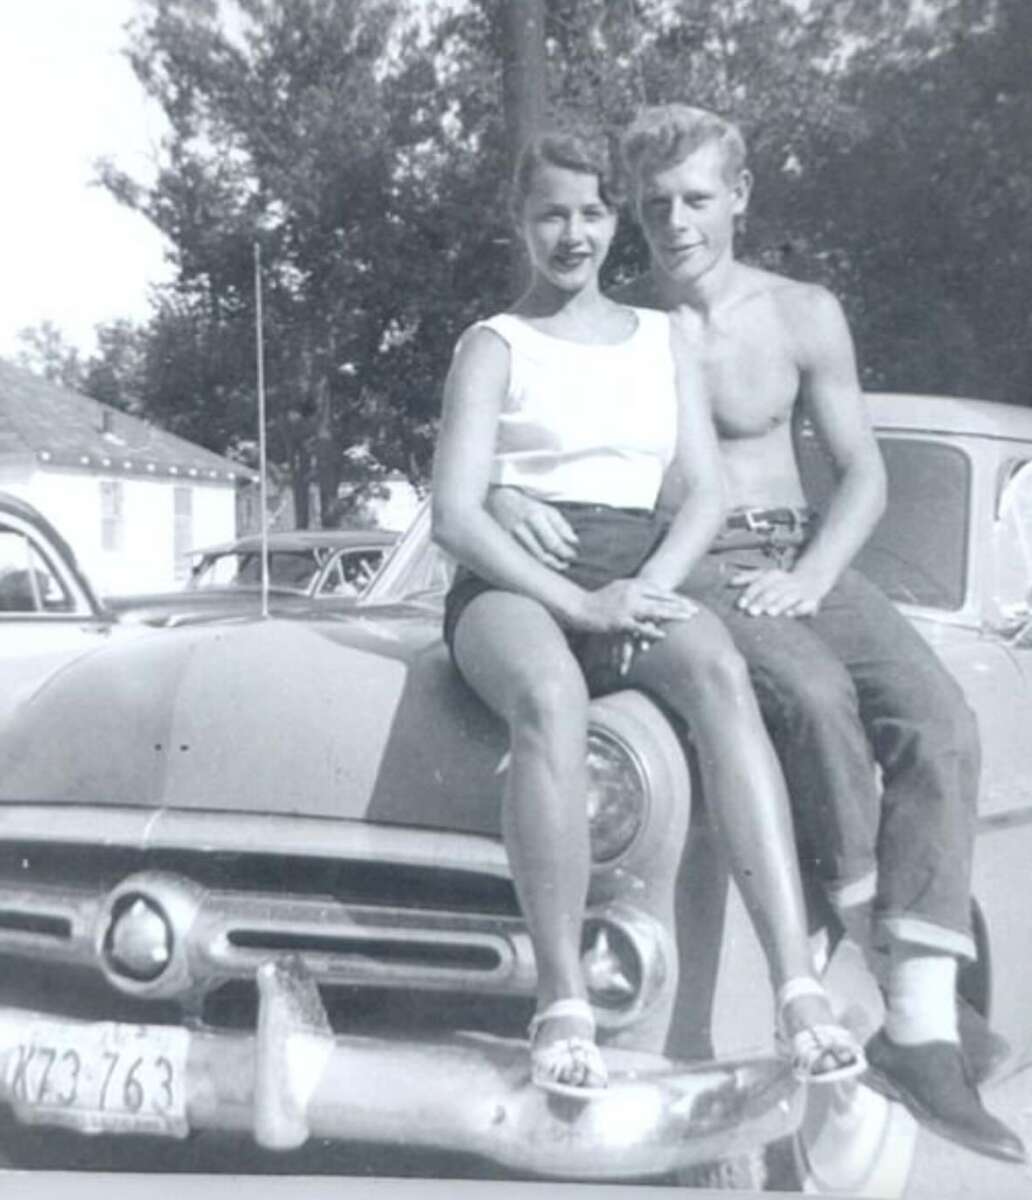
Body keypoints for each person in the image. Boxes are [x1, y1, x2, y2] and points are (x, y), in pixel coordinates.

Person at [488, 105, 1025, 1161]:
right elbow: (540, 432)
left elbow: (863, 474)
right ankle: (907, 1010)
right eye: (654, 206)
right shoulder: (624, 327)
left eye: (696, 199)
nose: (675, 224)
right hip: (692, 560)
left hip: (804, 557)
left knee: (943, 719)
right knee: (814, 701)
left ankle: (920, 1018)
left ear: (740, 196)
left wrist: (813, 574)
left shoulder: (802, 313)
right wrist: (505, 496)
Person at [431, 124, 866, 1101]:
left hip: (637, 563)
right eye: (551, 214)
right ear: (519, 220)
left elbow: (705, 492)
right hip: (516, 582)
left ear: (613, 219)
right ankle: (563, 1007)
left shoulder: (659, 337)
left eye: (592, 213)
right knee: (549, 696)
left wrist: (650, 587)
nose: (573, 235)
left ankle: (797, 994)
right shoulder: (493, 345)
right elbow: (455, 514)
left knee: (718, 671)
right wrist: (580, 603)